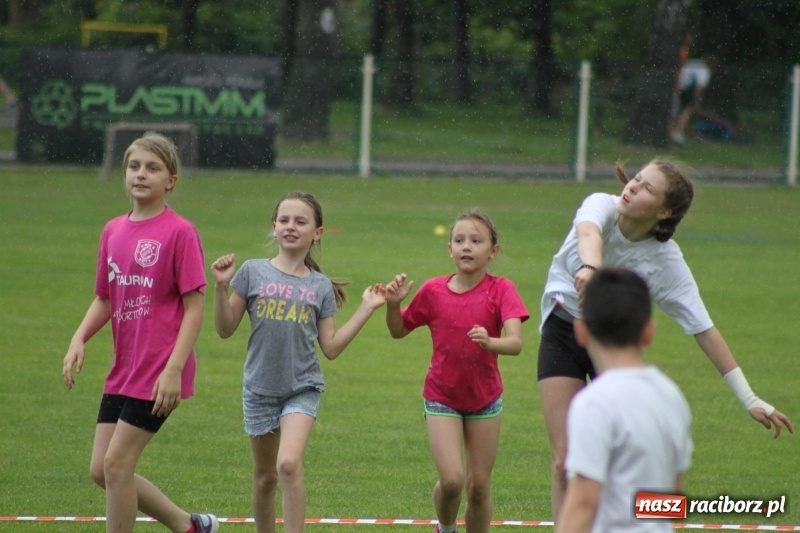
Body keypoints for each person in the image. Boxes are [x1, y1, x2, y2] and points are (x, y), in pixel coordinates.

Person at [538, 158, 794, 523]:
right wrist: (592, 270)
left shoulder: (667, 262)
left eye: (647, 188)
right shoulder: (601, 205)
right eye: (637, 179)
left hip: (614, 345)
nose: (632, 187)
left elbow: (703, 328)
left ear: (665, 211)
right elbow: (588, 236)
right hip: (564, 331)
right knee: (565, 461)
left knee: (618, 461)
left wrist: (749, 397)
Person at [62, 132, 218, 533]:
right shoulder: (113, 230)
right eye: (134, 166)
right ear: (124, 173)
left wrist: (174, 369)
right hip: (125, 369)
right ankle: (189, 526)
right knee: (102, 469)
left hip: (159, 369)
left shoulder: (180, 232)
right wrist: (79, 337)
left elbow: (195, 308)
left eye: (153, 168)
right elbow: (105, 297)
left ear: (171, 180)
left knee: (117, 465)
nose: (141, 174)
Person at [211, 191, 386, 533]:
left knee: (288, 464)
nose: (291, 226)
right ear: (274, 227)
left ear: (317, 232)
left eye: (301, 221)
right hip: (259, 390)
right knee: (264, 479)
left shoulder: (319, 286)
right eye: (285, 220)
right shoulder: (252, 272)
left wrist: (366, 308)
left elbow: (331, 347)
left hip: (302, 388)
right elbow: (224, 328)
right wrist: (220, 287)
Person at [384, 210, 530, 533]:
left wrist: (490, 341)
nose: (467, 247)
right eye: (459, 240)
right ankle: (446, 529)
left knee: (478, 487)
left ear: (492, 251)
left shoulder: (501, 289)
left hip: (485, 400)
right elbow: (398, 331)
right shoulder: (433, 291)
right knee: (452, 482)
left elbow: (516, 343)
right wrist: (393, 305)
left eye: (476, 241)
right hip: (441, 398)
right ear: (449, 249)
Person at [554, 267, 693, 533]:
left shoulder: (593, 403)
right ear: (649, 332)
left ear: (581, 332)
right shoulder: (671, 395)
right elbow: (674, 495)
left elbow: (583, 503)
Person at [671, 56, 713, 145]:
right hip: (687, 88)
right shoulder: (705, 70)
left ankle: (670, 131)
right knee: (687, 110)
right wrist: (697, 101)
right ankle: (678, 132)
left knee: (674, 111)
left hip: (678, 86)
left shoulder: (693, 63)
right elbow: (699, 87)